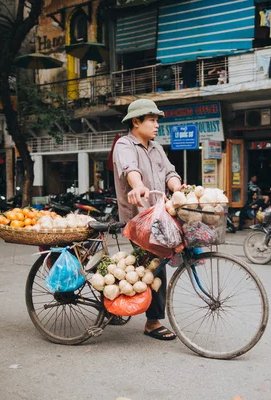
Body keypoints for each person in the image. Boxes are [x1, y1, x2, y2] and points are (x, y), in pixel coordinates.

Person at [112, 99, 183, 341]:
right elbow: (131, 170)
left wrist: (178, 187)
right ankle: (152, 323)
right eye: (152, 120)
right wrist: (138, 185)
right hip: (138, 220)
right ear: (136, 121)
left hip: (160, 216)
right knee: (156, 265)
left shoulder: (157, 148)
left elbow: (170, 173)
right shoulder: (124, 145)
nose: (156, 125)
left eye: (157, 120)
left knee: (142, 266)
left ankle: (112, 301)